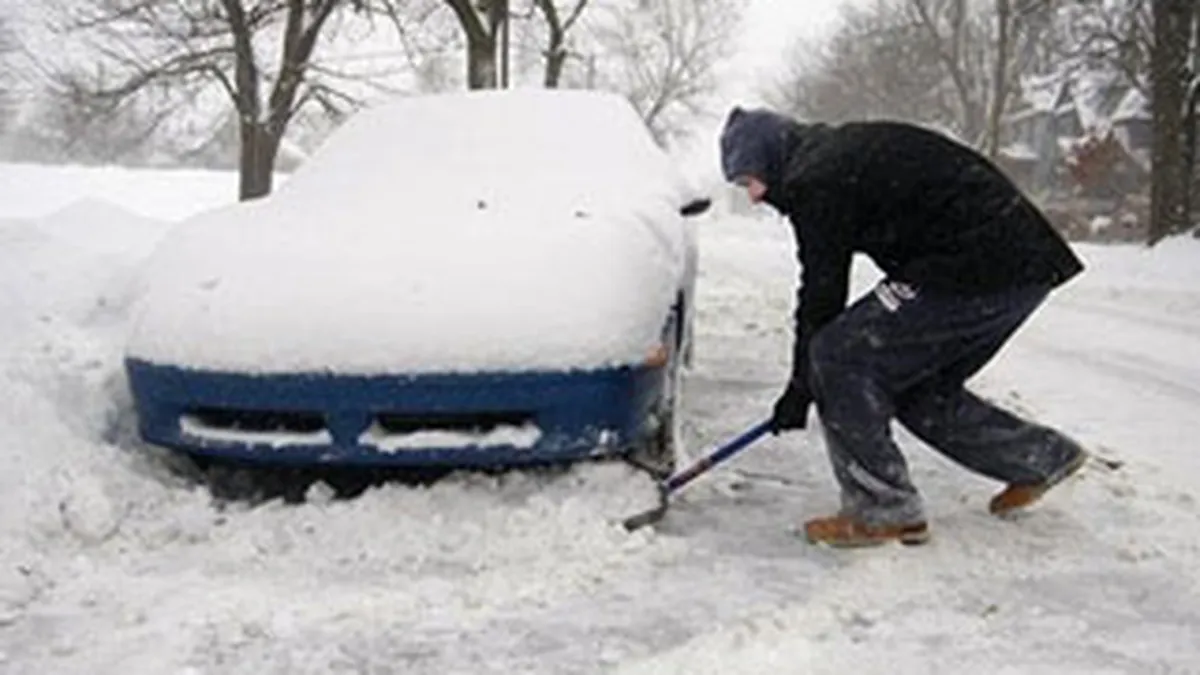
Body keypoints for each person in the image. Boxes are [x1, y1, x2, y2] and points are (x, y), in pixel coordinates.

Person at [718, 107, 1089, 547]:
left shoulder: (816, 178)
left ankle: (882, 508)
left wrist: (803, 384)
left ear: (770, 158)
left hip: (979, 262)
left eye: (749, 181)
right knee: (914, 387)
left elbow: (821, 293)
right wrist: (802, 386)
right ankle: (1039, 458)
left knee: (839, 355)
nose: (754, 197)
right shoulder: (828, 157)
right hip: (1020, 265)